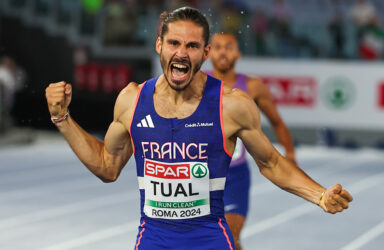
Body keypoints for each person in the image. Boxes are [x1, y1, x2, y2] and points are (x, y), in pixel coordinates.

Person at [45, 7, 353, 250]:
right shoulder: (131, 101)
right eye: (174, 43)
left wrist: (320, 195)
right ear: (159, 46)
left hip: (210, 241)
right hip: (153, 241)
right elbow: (107, 166)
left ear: (205, 53)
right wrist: (63, 119)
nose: (181, 53)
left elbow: (270, 163)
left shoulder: (231, 105)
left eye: (192, 46)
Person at [207, 32, 296, 250]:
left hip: (235, 175)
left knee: (228, 237)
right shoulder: (197, 83)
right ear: (208, 52)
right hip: (201, 174)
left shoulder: (253, 86)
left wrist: (290, 154)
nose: (223, 52)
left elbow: (276, 121)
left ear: (238, 53)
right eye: (217, 47)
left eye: (229, 47)